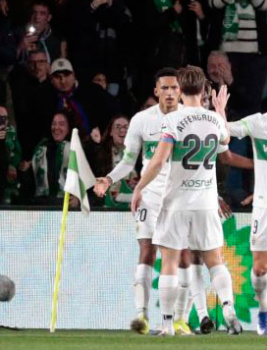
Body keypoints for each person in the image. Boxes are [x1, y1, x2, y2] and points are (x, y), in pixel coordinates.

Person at [94, 68, 212, 335]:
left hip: (182, 196)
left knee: (184, 256)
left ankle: (180, 319)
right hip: (151, 195)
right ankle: (142, 316)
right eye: (165, 88)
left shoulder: (191, 118)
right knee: (147, 251)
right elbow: (129, 161)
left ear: (181, 90)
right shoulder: (142, 120)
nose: (170, 93)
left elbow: (204, 164)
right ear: (156, 90)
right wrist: (109, 179)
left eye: (174, 88)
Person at [130, 67, 243, 336]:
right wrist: (220, 110)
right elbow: (226, 139)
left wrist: (140, 188)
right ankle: (228, 307)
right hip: (206, 203)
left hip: (176, 203)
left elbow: (158, 162)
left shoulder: (172, 120)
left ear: (180, 89)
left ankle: (168, 323)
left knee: (169, 262)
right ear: (204, 90)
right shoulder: (214, 120)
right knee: (215, 260)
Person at [215, 74, 267, 335]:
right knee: (260, 269)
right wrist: (219, 112)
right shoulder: (259, 122)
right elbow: (225, 133)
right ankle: (264, 309)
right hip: (264, 206)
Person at [208, 0, 267, 118]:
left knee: (251, 101)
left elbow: (263, 4)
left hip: (255, 56)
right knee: (229, 101)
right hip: (227, 55)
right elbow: (215, 2)